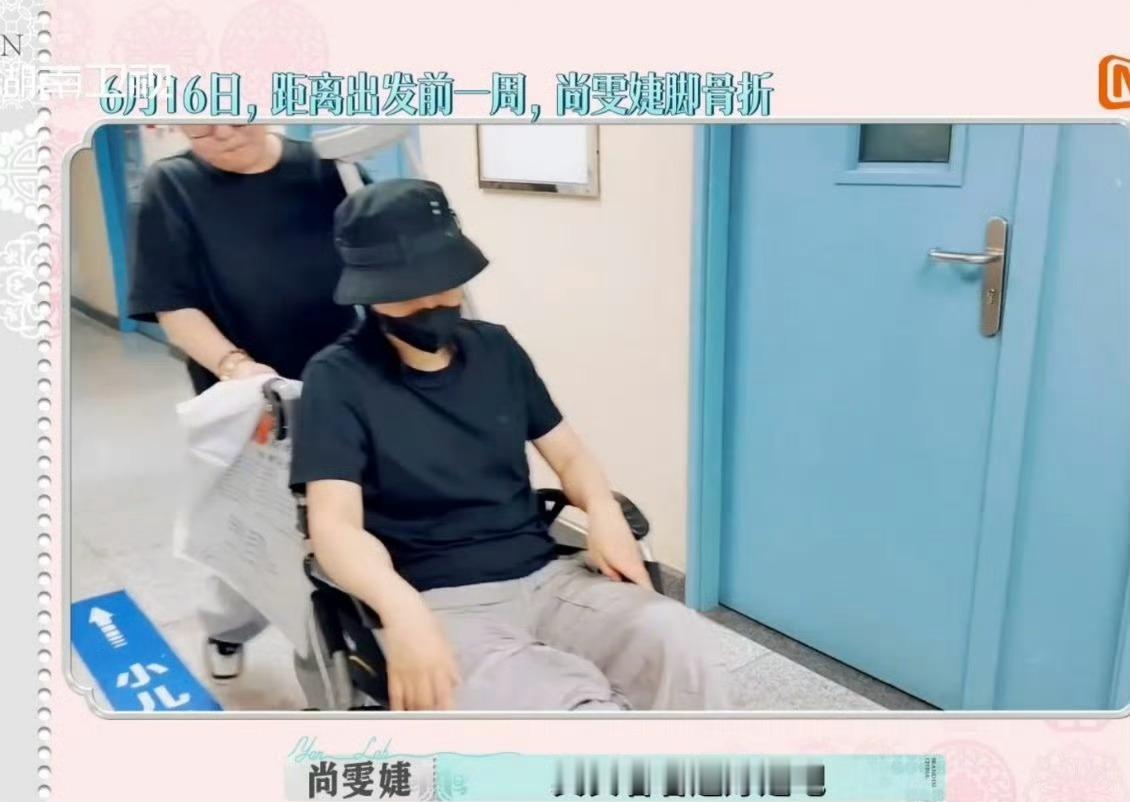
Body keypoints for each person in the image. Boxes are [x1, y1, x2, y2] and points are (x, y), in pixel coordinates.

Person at [290, 179, 731, 711]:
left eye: (444, 284)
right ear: (369, 291)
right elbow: (334, 527)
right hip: (439, 603)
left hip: (548, 579)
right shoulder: (337, 379)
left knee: (681, 644)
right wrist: (401, 610)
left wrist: (602, 510)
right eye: (408, 291)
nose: (432, 303)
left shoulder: (496, 350)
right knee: (574, 714)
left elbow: (569, 455)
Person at [127, 124, 363, 681]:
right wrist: (237, 368)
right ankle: (227, 629)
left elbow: (380, 256)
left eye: (236, 118)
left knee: (349, 514)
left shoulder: (329, 167)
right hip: (249, 392)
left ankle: (351, 638)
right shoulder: (173, 185)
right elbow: (173, 305)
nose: (226, 136)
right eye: (204, 129)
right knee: (262, 527)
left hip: (346, 378)